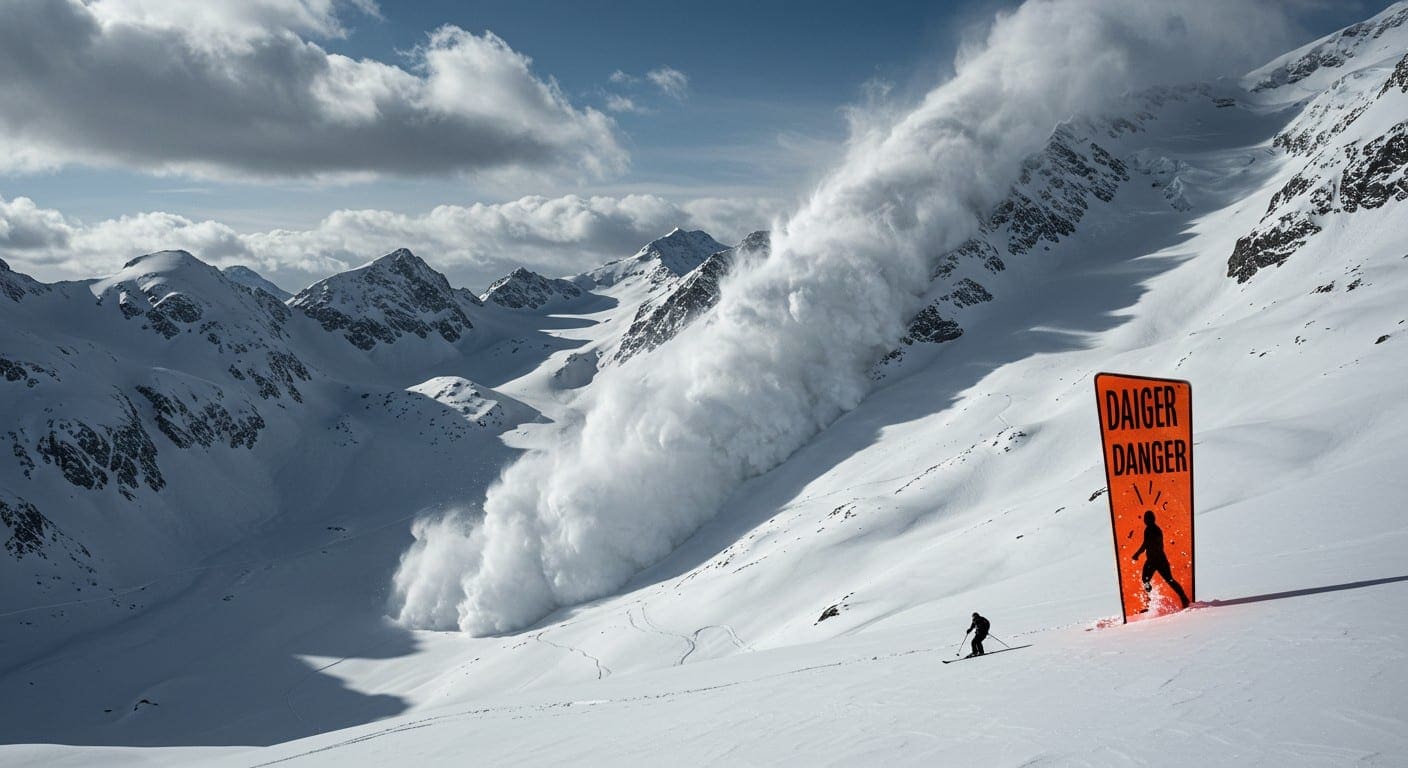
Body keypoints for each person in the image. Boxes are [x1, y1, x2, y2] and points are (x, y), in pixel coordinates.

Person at [1131, 510, 1190, 608]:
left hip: (1158, 560)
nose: (1145, 520)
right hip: (1154, 560)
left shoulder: (1153, 530)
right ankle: (1150, 601)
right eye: (1145, 518)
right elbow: (1146, 544)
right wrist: (1138, 554)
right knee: (1147, 580)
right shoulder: (1150, 529)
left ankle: (1184, 598)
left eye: (1146, 518)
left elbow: (1145, 545)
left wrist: (1137, 554)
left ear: (1150, 519)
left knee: (1167, 580)